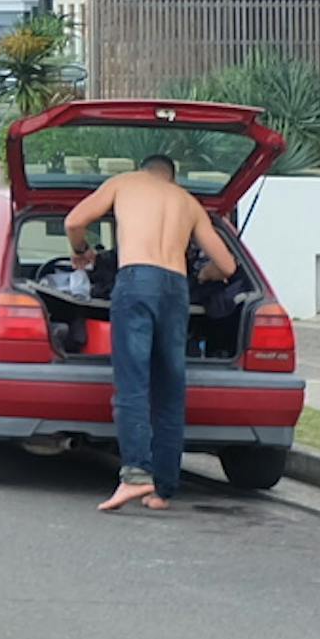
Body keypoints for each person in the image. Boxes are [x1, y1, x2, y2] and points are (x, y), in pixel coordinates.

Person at [66, 153, 239, 512]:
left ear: (143, 170)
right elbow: (226, 265)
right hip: (176, 289)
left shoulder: (124, 183)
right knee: (170, 390)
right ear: (172, 178)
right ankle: (164, 489)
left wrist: (81, 250)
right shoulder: (188, 203)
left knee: (132, 383)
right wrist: (204, 275)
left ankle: (134, 476)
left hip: (136, 281)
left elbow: (73, 221)